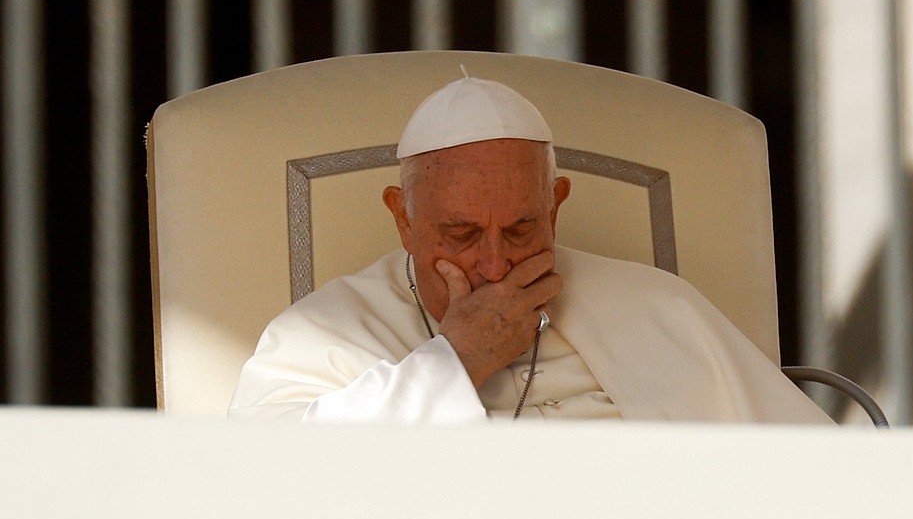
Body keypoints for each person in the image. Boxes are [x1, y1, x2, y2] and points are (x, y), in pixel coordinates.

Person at [229, 72, 832, 424]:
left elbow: (808, 481)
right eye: (461, 235)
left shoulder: (658, 308)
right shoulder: (323, 332)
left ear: (555, 207)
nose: (494, 266)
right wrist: (457, 360)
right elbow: (270, 487)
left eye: (521, 230)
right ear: (403, 219)